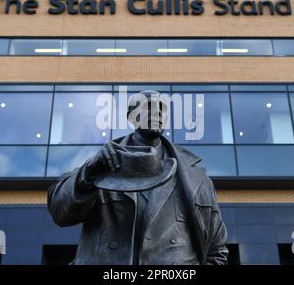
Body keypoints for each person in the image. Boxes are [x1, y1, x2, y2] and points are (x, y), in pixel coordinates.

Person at [47, 90, 228, 265]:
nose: (156, 112)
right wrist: (89, 173)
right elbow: (60, 212)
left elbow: (216, 250)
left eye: (162, 108)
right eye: (148, 106)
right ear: (131, 116)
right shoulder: (101, 166)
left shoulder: (196, 178)